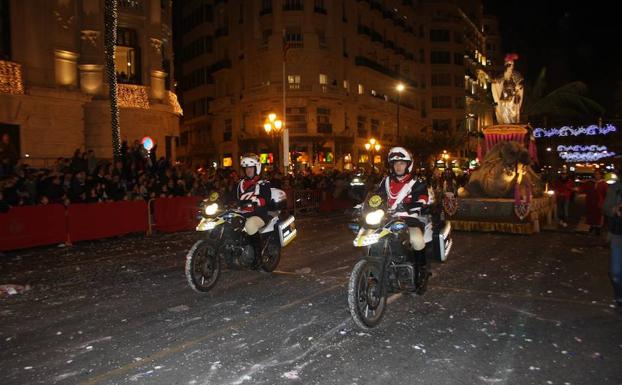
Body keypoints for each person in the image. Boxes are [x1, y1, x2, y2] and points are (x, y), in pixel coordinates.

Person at [376, 147, 430, 293]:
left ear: (408, 165)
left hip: (409, 219)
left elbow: (424, 197)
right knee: (373, 238)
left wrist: (416, 204)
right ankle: (372, 270)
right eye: (395, 163)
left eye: (401, 163)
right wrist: (364, 205)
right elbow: (377, 197)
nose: (398, 166)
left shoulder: (417, 182)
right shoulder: (386, 181)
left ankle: (421, 272)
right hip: (387, 220)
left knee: (417, 240)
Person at [235, 154, 272, 268]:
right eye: (246, 168)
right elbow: (231, 197)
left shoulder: (263, 183)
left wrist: (257, 201)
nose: (248, 170)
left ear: (257, 168)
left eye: (251, 167)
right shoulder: (241, 184)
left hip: (259, 214)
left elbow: (267, 198)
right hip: (243, 213)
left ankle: (258, 257)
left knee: (250, 225)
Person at [603, 173, 622, 308]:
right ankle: (620, 296)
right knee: (616, 273)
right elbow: (606, 208)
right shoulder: (616, 187)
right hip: (618, 233)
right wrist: (614, 209)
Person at [578, 170, 608, 235]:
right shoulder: (590, 182)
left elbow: (606, 193)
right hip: (591, 201)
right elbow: (584, 189)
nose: (597, 175)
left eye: (598, 174)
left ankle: (598, 229)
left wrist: (604, 202)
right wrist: (578, 189)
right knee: (591, 215)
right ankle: (592, 227)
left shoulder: (604, 183)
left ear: (601, 175)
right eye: (595, 174)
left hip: (599, 202)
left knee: (598, 216)